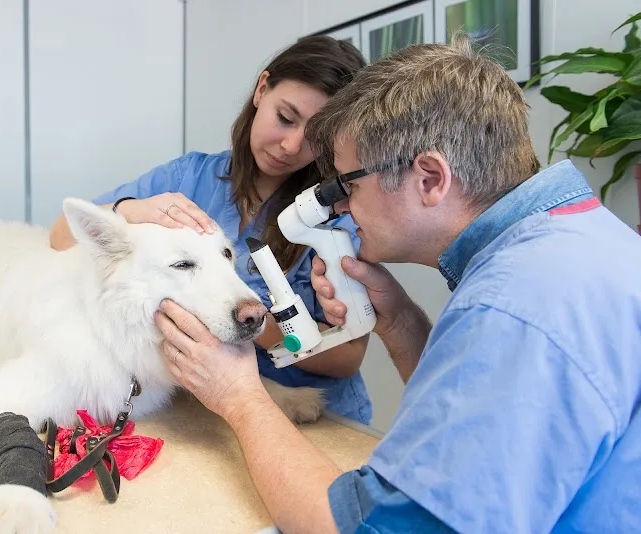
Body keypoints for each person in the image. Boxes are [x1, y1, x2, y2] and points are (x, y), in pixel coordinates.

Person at [153, 32, 641, 534]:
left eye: (347, 185)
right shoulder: (578, 239)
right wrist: (404, 324)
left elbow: (368, 530)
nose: (338, 207)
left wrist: (239, 396)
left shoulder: (515, 305)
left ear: (430, 178)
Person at [48, 35, 375, 425]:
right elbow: (60, 237)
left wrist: (250, 321)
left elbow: (348, 356)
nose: (289, 145)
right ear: (261, 89)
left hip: (313, 415)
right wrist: (131, 209)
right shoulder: (190, 178)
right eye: (285, 118)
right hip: (208, 410)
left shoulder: (334, 213)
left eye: (314, 140)